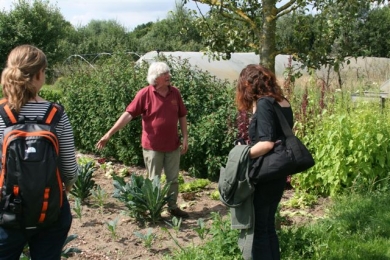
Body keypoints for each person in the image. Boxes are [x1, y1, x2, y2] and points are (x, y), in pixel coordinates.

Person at [0, 45, 78, 259]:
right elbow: (69, 169)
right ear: (39, 74)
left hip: (7, 211)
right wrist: (64, 190)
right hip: (50, 210)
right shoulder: (57, 115)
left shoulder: (1, 114)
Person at [96, 61, 189, 218]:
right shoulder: (145, 94)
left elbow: (182, 115)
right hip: (152, 147)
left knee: (173, 180)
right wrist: (109, 134)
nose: (169, 76)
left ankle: (172, 207)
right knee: (154, 180)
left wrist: (185, 136)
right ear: (155, 78)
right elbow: (128, 115)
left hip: (173, 145)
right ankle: (155, 209)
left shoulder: (175, 93)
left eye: (168, 73)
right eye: (164, 74)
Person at [235, 64, 293, 260]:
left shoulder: (264, 103)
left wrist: (241, 154)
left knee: (260, 228)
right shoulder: (282, 101)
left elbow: (266, 143)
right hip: (278, 172)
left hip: (266, 172)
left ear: (248, 83)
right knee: (268, 226)